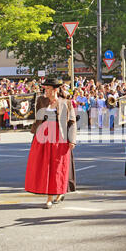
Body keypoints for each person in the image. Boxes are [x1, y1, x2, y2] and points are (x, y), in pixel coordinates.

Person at [25, 78, 77, 209]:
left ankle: (53, 194)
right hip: (42, 137)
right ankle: (52, 194)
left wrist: (72, 140)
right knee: (45, 166)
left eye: (48, 88)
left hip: (59, 137)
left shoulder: (66, 103)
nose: (45, 91)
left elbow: (72, 122)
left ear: (55, 89)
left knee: (57, 167)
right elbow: (35, 117)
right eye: (45, 88)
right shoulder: (41, 101)